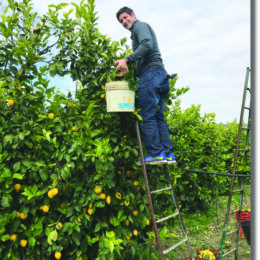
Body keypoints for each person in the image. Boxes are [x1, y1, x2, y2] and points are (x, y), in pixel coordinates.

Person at [115, 7, 176, 165]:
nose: (124, 21)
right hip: (160, 76)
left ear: (133, 15)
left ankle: (156, 154)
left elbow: (147, 44)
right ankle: (168, 154)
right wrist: (129, 69)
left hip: (151, 76)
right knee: (158, 117)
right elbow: (146, 53)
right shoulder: (138, 30)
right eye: (121, 21)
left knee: (147, 116)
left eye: (125, 17)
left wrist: (127, 60)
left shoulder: (139, 26)